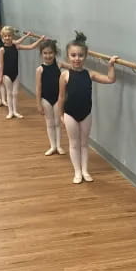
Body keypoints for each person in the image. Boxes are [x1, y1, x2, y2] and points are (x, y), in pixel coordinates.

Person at [57, 31, 118, 183]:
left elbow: (110, 79)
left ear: (85, 56)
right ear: (68, 56)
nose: (77, 59)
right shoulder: (65, 75)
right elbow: (61, 97)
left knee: (84, 143)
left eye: (80, 55)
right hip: (70, 113)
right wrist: (60, 115)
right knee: (74, 143)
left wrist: (110, 65)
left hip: (86, 114)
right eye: (73, 55)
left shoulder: (90, 74)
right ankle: (77, 171)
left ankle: (85, 170)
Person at [0, 26, 45, 119]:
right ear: (2, 37)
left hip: (15, 74)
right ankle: (10, 112)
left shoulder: (16, 46)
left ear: (12, 36)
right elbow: (1, 64)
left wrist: (40, 40)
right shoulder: (2, 49)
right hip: (6, 74)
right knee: (9, 93)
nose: (7, 38)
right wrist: (0, 77)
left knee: (15, 93)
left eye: (9, 35)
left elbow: (31, 47)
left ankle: (15, 111)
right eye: (5, 36)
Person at [35, 39, 70, 155]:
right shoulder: (40, 70)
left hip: (58, 98)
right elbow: (38, 87)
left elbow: (72, 67)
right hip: (45, 99)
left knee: (57, 123)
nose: (48, 56)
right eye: (45, 53)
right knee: (49, 123)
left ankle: (59, 146)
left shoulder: (59, 65)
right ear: (41, 54)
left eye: (50, 53)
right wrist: (38, 103)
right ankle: (53, 146)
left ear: (55, 53)